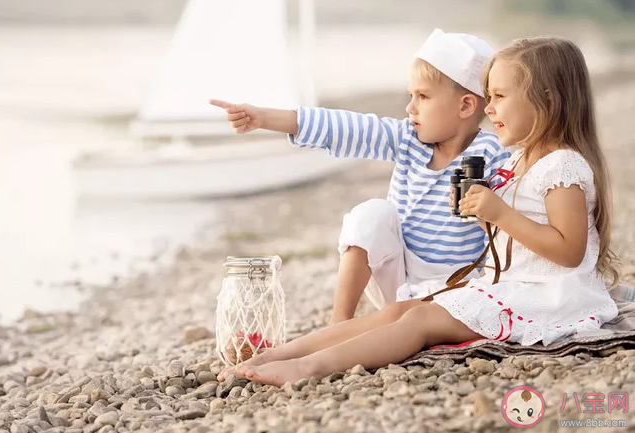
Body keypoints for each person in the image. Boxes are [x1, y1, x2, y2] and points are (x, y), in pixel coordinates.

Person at [220, 36, 620, 387]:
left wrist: (498, 214)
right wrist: (265, 117)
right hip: (507, 285)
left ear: (546, 101)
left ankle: (310, 366)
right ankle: (281, 353)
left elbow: (569, 252)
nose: (490, 108)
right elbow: (348, 127)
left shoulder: (560, 166)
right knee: (399, 310)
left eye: (498, 97)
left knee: (417, 322)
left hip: (548, 296)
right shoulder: (518, 160)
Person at [210, 28, 511, 326]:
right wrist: (263, 118)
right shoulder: (408, 139)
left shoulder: (493, 153)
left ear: (466, 105)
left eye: (423, 96)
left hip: (459, 288)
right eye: (411, 95)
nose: (410, 107)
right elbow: (344, 126)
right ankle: (340, 322)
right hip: (398, 282)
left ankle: (402, 325)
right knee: (371, 214)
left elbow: (515, 217)